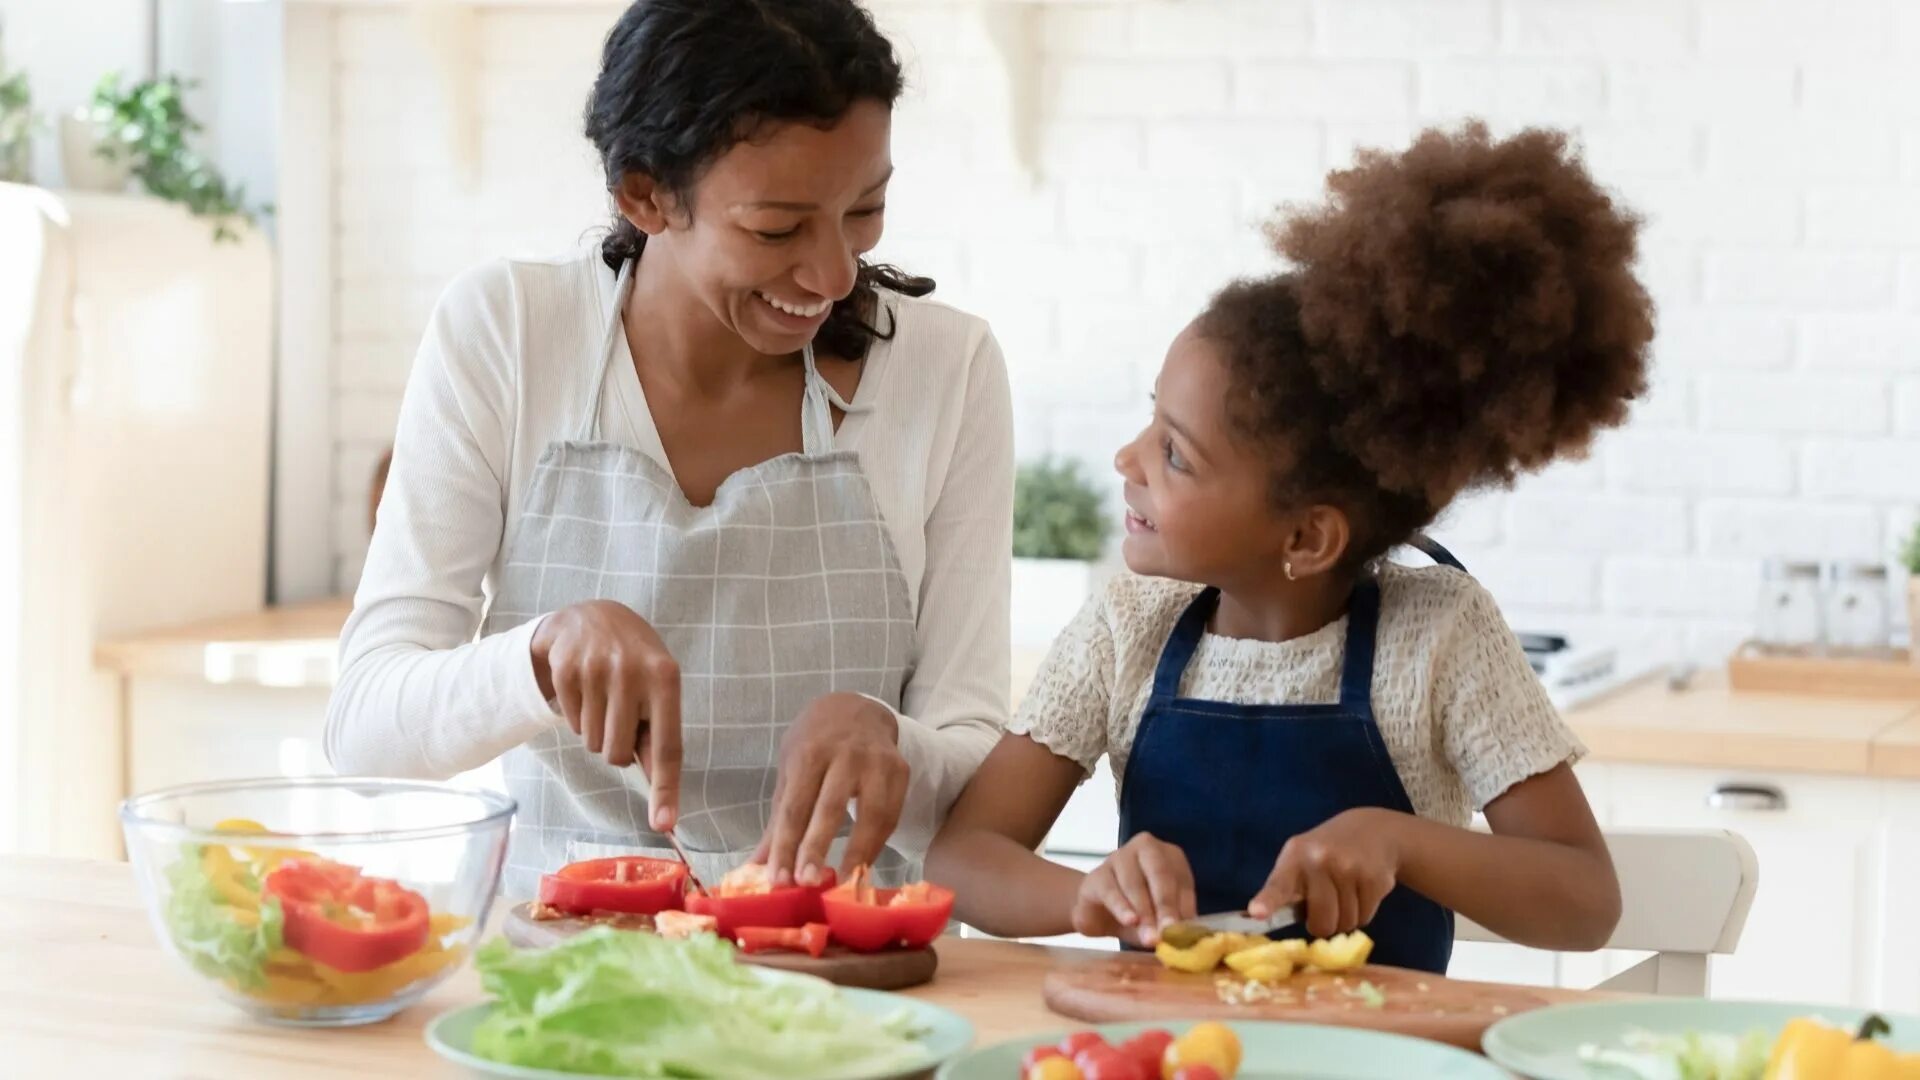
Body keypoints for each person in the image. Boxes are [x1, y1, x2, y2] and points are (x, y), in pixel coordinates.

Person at [326, 0, 1013, 898]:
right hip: (570, 968)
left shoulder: (947, 368)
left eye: (866, 209)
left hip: (849, 975)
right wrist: (537, 655)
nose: (835, 273)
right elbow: (366, 729)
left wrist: (896, 741)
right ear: (644, 194)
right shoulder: (507, 332)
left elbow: (974, 750)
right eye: (777, 228)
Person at [926, 124, 1650, 973]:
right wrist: (1081, 896)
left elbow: (1583, 900)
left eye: (1175, 454)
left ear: (1306, 536)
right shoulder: (1130, 627)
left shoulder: (1438, 637)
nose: (1127, 460)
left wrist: (1399, 842)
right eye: (1152, 421)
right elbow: (962, 857)